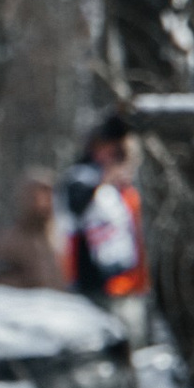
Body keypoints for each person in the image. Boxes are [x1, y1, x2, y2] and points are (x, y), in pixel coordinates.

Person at [60, 115, 150, 334]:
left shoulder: (126, 189)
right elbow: (76, 206)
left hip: (131, 285)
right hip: (96, 288)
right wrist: (105, 179)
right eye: (112, 149)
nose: (114, 157)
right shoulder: (81, 178)